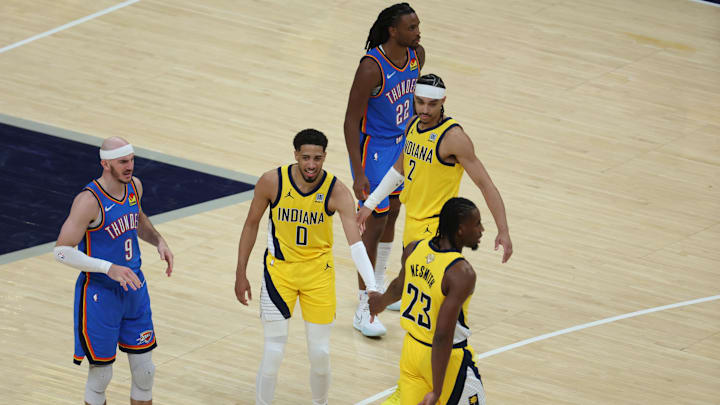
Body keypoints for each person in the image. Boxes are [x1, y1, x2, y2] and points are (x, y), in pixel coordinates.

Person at [234, 129, 379, 405]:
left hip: (318, 276)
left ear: (325, 157)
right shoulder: (271, 182)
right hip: (279, 274)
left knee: (320, 354)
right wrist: (240, 272)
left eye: (317, 158)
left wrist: (371, 288)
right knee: (274, 350)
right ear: (295, 156)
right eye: (306, 158)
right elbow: (250, 224)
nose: (311, 165)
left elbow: (356, 244)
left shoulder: (337, 191)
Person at [54, 137, 174, 405]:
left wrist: (159, 241)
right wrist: (107, 268)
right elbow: (61, 250)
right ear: (105, 164)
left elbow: (137, 220)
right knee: (101, 377)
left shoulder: (135, 187)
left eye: (131, 160)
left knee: (145, 372)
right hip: (100, 295)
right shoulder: (89, 201)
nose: (129, 166)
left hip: (135, 290)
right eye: (123, 162)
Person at [357, 73, 512, 261]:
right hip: (413, 220)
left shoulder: (454, 138)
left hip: (438, 226)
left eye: (432, 104)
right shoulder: (412, 125)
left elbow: (486, 185)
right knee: (410, 283)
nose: (425, 109)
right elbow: (399, 170)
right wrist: (370, 205)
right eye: (420, 102)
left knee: (426, 285)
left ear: (443, 101)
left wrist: (503, 230)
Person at [343, 2, 425, 337]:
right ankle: (365, 307)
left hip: (402, 144)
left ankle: (380, 286)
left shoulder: (417, 55)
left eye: (418, 25)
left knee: (393, 214)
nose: (418, 32)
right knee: (374, 223)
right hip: (374, 149)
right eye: (412, 26)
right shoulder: (371, 68)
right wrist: (358, 172)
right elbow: (350, 121)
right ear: (393, 30)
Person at [369, 197, 487, 405]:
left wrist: (380, 303)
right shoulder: (461, 272)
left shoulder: (415, 249)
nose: (481, 229)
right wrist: (437, 390)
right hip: (445, 359)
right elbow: (442, 335)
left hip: (411, 352)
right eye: (476, 224)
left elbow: (399, 286)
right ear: (460, 229)